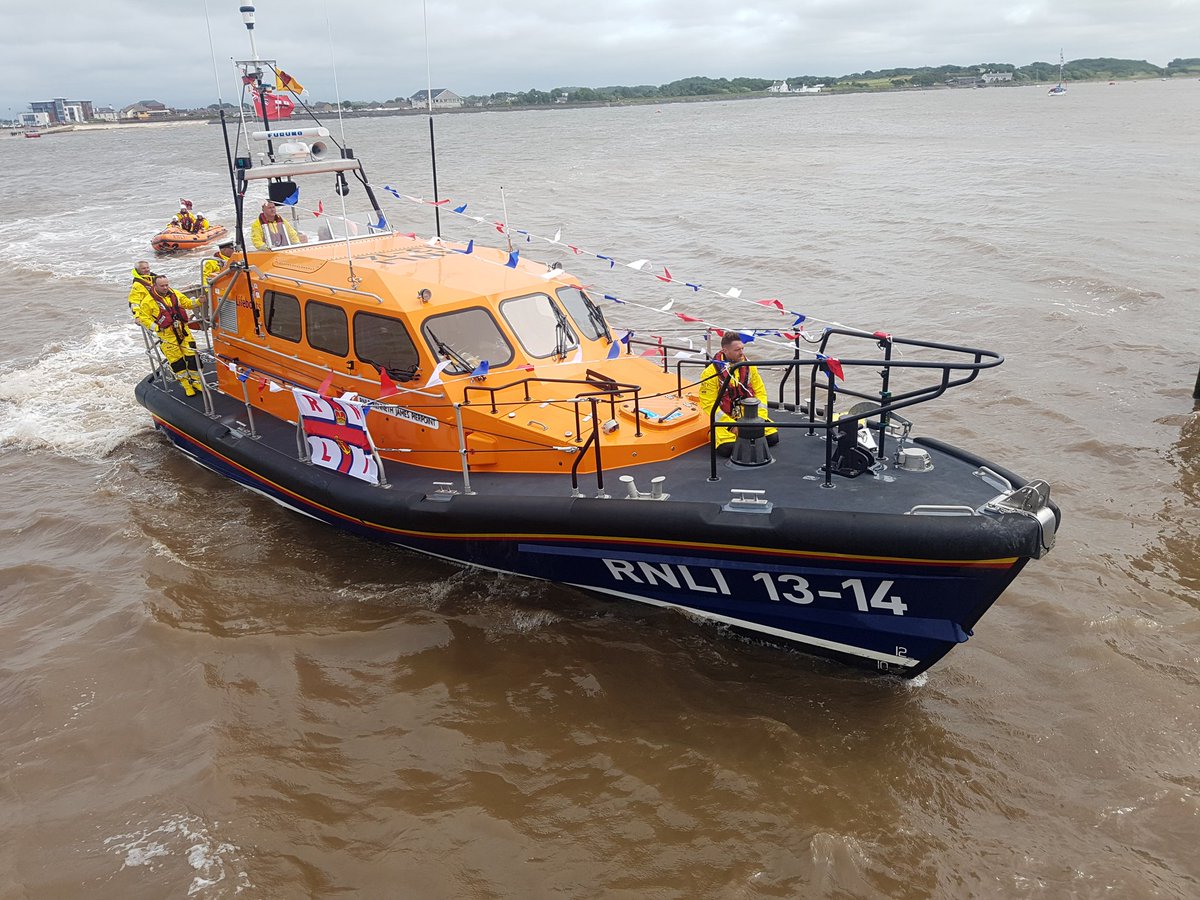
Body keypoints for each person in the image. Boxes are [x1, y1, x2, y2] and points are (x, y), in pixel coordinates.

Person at [698, 331, 778, 457]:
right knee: (728, 449)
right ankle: (712, 433)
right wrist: (731, 426)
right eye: (737, 350)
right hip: (726, 418)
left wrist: (759, 418)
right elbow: (709, 404)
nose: (741, 353)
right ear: (725, 350)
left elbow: (760, 392)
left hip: (749, 416)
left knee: (773, 438)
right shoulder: (710, 373)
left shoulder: (749, 366)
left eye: (742, 348)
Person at [133, 274, 204, 397]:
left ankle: (197, 382)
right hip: (167, 335)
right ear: (155, 286)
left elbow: (187, 303)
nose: (165, 287)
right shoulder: (148, 301)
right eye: (162, 286)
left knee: (193, 356)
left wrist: (198, 301)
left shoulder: (175, 293)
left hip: (183, 331)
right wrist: (156, 327)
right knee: (177, 362)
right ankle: (186, 385)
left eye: (167, 285)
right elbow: (145, 318)